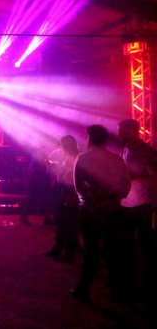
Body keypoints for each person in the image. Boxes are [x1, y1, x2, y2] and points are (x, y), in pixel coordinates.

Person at [71, 125, 131, 303]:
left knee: (91, 251)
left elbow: (79, 186)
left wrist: (93, 202)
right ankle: (116, 291)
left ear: (89, 138)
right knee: (114, 251)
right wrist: (113, 199)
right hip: (113, 210)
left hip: (90, 211)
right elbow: (125, 185)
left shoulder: (83, 158)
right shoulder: (117, 159)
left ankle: (84, 289)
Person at [118, 119, 157, 303]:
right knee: (128, 244)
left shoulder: (144, 151)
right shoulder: (127, 149)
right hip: (128, 202)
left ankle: (148, 286)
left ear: (131, 131)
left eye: (121, 130)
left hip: (141, 203)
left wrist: (135, 176)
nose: (118, 134)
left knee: (145, 245)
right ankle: (131, 283)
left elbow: (154, 174)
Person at [45, 135, 80, 263]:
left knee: (66, 221)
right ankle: (64, 247)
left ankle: (68, 251)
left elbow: (68, 175)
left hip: (69, 191)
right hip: (67, 190)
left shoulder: (73, 158)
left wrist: (59, 173)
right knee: (64, 220)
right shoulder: (72, 157)